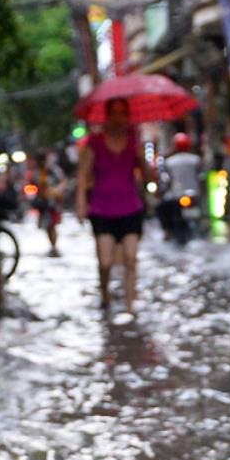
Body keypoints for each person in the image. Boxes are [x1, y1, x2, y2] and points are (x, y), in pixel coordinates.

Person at [76, 107, 149, 312]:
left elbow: (149, 177)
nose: (119, 118)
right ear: (108, 116)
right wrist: (81, 203)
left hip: (130, 208)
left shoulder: (136, 142)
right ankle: (105, 293)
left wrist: (142, 158)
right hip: (102, 209)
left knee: (131, 257)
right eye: (115, 113)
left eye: (123, 113)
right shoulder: (94, 143)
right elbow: (83, 175)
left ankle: (130, 305)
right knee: (105, 262)